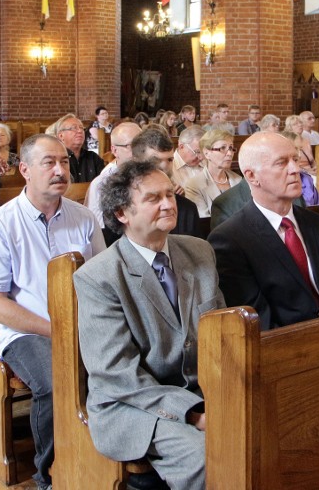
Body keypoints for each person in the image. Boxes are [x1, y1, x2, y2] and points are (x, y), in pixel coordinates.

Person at [75, 160, 223, 490]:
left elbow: (225, 334)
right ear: (122, 215)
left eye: (170, 194)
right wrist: (193, 413)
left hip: (203, 389)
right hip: (132, 403)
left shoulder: (199, 251)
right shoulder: (99, 277)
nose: (169, 204)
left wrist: (229, 395)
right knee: (207, 457)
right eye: (154, 198)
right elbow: (115, 372)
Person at [0, 134, 106, 489]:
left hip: (81, 324)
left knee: (129, 363)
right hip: (26, 331)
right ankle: (49, 472)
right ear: (25, 170)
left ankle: (103, 457)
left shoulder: (83, 217)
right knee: (54, 380)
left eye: (64, 162)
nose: (60, 170)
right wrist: (57, 330)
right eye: (49, 163)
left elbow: (102, 280)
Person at [208, 132, 319, 330]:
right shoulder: (230, 239)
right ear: (252, 176)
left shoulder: (317, 224)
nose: (296, 169)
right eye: (281, 163)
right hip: (283, 349)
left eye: (295, 159)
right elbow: (259, 321)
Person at [86, 122, 142, 228]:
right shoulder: (101, 183)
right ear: (115, 150)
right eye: (132, 146)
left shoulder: (153, 174)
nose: (139, 151)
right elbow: (98, 227)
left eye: (142, 144)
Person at [184, 129, 242, 218]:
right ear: (207, 153)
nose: (230, 153)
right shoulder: (194, 185)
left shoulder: (238, 180)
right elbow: (204, 221)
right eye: (223, 148)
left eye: (231, 148)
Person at [55, 114, 104, 182]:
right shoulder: (56, 159)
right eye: (74, 128)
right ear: (61, 136)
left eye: (81, 128)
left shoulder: (93, 157)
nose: (80, 131)